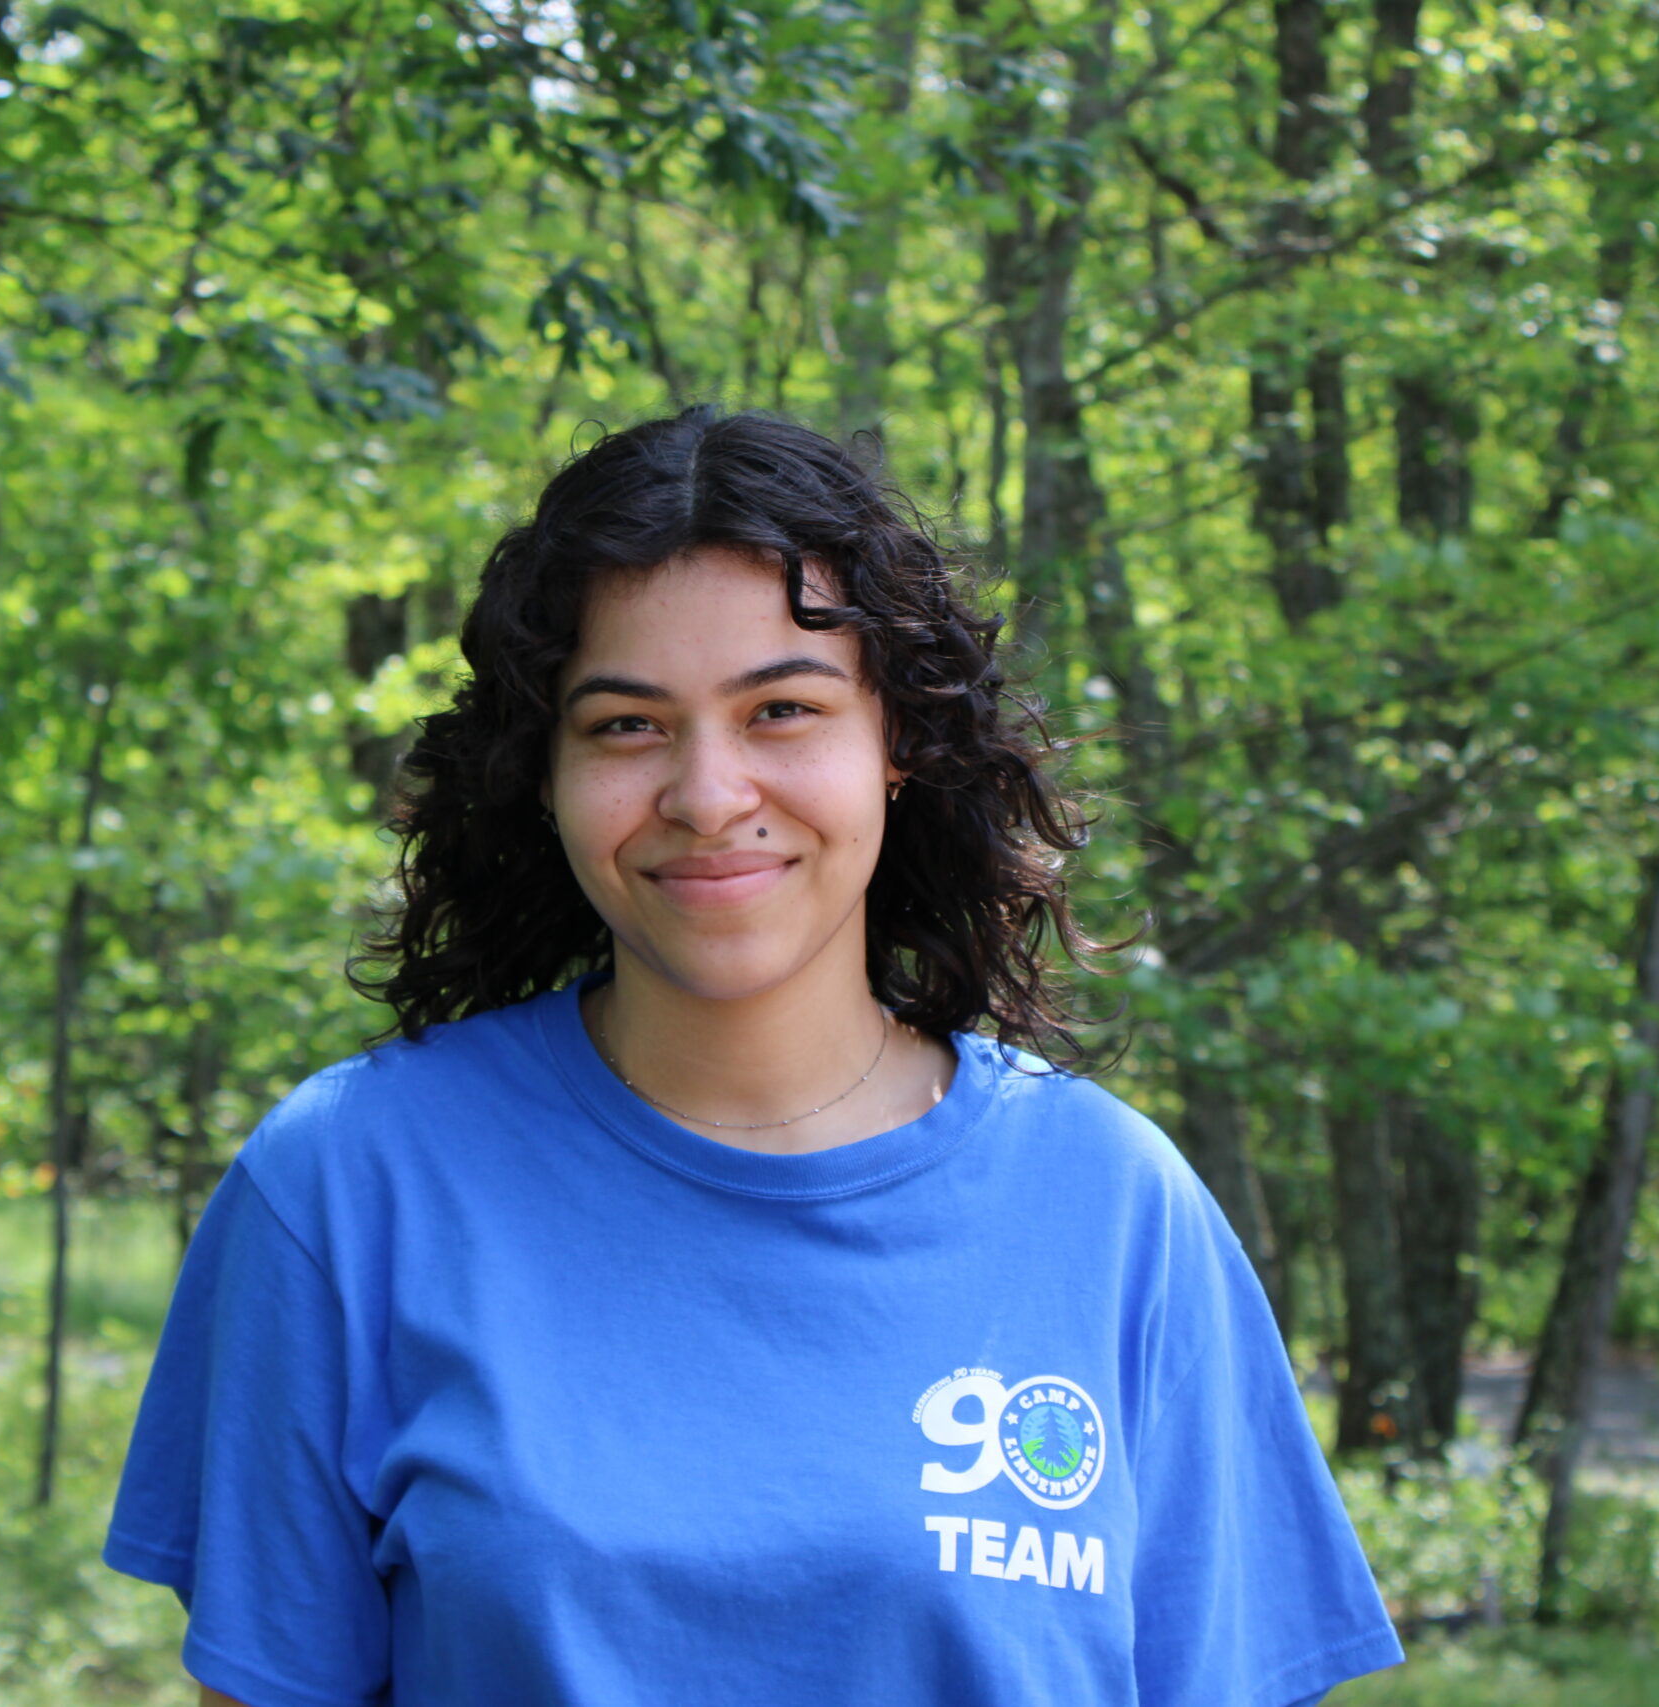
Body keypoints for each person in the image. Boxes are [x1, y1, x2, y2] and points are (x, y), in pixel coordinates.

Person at [103, 406, 1403, 1707]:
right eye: (627, 725)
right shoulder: (348, 1186)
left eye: (782, 709)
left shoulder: (1115, 1207)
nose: (710, 796)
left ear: (898, 744)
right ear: (544, 774)